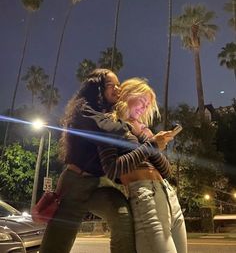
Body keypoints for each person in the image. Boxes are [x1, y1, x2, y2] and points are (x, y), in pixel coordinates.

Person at [39, 69, 167, 253]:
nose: (117, 89)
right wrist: (136, 132)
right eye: (111, 85)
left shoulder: (112, 113)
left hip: (100, 183)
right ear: (97, 86)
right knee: (55, 247)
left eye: (118, 85)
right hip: (76, 184)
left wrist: (143, 136)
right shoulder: (84, 109)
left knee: (122, 217)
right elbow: (105, 128)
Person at [98, 77, 188, 253]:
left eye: (148, 105)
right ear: (128, 94)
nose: (145, 107)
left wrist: (149, 140)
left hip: (168, 194)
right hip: (145, 197)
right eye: (143, 100)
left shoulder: (143, 130)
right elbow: (112, 169)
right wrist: (151, 145)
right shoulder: (110, 123)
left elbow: (166, 170)